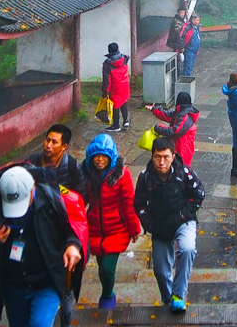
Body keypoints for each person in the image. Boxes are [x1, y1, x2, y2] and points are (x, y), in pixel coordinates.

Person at [0, 165, 84, 327]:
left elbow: (73, 227)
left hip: (47, 283)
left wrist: (73, 245)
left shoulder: (51, 201)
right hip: (14, 287)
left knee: (39, 324)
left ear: (33, 188)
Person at [134, 137, 205, 312]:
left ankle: (178, 295)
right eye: (157, 157)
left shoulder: (184, 173)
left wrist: (183, 215)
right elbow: (139, 204)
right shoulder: (145, 178)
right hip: (159, 224)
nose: (161, 162)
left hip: (183, 220)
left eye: (166, 157)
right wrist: (149, 224)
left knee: (187, 248)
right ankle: (167, 298)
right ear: (152, 156)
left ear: (173, 156)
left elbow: (199, 194)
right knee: (160, 269)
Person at [81, 134, 141, 310]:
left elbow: (128, 203)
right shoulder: (86, 174)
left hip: (116, 229)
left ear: (111, 157)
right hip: (94, 228)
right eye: (96, 156)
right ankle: (108, 290)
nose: (100, 160)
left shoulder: (121, 175)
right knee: (101, 267)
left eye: (104, 156)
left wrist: (134, 229)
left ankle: (107, 296)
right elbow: (80, 200)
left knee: (107, 268)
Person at [26, 123, 85, 197]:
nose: (48, 145)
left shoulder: (72, 166)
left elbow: (80, 195)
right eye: (47, 140)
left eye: (54, 142)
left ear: (64, 146)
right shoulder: (31, 161)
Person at [149, 91, 200, 166]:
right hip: (181, 148)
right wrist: (154, 109)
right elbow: (168, 115)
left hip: (182, 150)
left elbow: (175, 131)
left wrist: (159, 129)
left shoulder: (184, 116)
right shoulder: (182, 113)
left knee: (179, 168)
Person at [103, 42, 131, 132]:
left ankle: (116, 125)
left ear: (109, 51)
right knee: (123, 101)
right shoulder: (124, 58)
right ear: (118, 49)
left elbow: (106, 79)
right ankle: (126, 121)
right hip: (124, 85)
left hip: (114, 87)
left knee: (115, 105)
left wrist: (105, 91)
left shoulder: (107, 63)